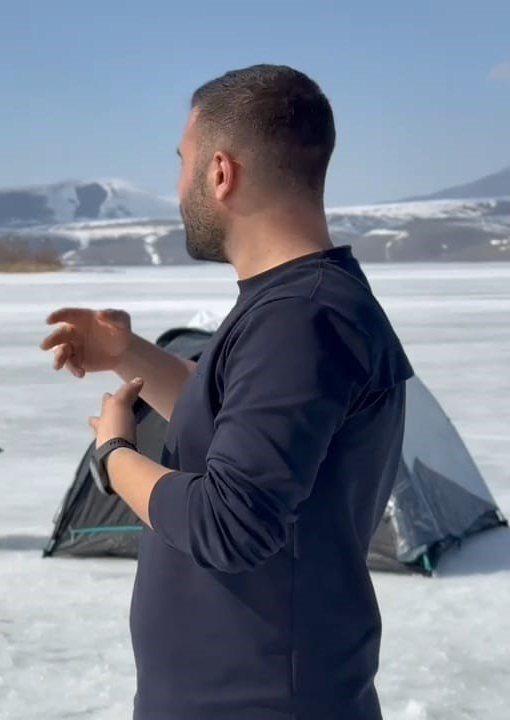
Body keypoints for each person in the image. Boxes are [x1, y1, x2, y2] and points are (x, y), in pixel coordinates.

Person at [40, 64, 414, 720]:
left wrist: (113, 457)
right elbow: (229, 416)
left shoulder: (304, 317)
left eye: (181, 165)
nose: (178, 187)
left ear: (220, 172)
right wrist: (127, 354)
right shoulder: (296, 308)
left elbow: (229, 522)